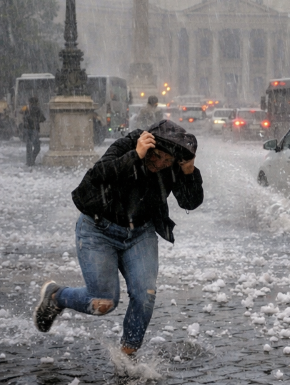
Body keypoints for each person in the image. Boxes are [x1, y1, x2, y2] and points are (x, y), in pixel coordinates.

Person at [33, 120, 203, 357]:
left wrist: (189, 172)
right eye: (157, 157)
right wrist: (135, 155)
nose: (160, 164)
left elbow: (190, 202)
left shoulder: (173, 164)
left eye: (167, 161)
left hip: (140, 233)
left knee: (145, 297)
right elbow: (97, 176)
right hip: (98, 228)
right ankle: (56, 297)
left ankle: (127, 357)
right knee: (103, 302)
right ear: (149, 145)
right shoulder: (129, 145)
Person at [23, 96, 45, 166]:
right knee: (37, 147)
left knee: (29, 146)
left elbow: (21, 113)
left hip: (27, 129)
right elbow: (43, 118)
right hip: (34, 129)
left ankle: (29, 161)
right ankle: (32, 160)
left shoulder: (26, 108)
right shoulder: (37, 109)